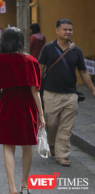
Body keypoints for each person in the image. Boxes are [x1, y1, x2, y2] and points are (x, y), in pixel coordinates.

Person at [0, 27, 44, 194]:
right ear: (21, 41)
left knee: (8, 146)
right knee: (27, 146)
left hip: (8, 103)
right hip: (27, 105)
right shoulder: (31, 60)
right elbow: (35, 90)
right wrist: (41, 115)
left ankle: (11, 187)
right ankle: (24, 185)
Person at [38, 18, 95, 167]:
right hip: (50, 94)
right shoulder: (48, 49)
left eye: (70, 29)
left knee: (65, 127)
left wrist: (93, 89)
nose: (68, 32)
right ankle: (51, 144)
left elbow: (83, 72)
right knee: (51, 124)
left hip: (71, 95)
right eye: (65, 29)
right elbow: (40, 68)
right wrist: (35, 88)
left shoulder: (77, 51)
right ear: (57, 30)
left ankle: (62, 155)